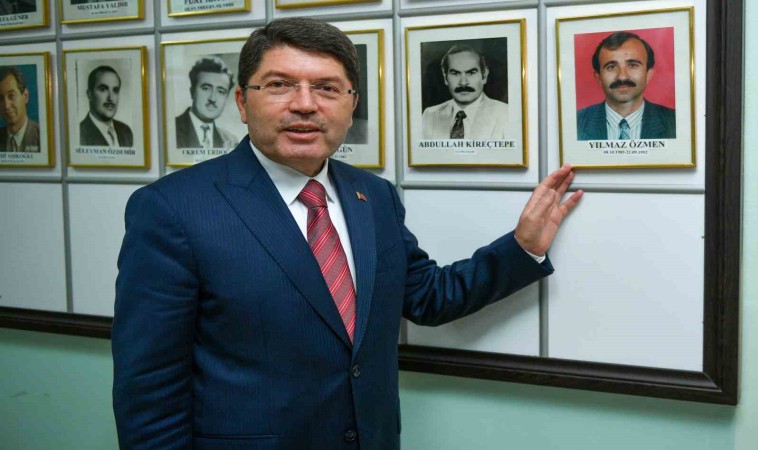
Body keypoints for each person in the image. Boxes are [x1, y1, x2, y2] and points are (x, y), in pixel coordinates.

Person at [112, 18, 582, 450]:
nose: (304, 104)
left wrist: (521, 248)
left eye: (327, 88)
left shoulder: (373, 197)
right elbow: (149, 387)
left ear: (352, 104)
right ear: (242, 101)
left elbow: (426, 297)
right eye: (279, 85)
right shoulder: (174, 209)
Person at [576, 31, 676, 141]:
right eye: (611, 67)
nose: (622, 77)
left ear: (648, 74)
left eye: (632, 65)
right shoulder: (575, 123)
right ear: (599, 78)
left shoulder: (675, 122)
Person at [421, 44, 510, 140]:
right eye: (455, 73)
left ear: (484, 76)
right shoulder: (430, 115)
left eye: (471, 73)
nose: (463, 82)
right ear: (445, 78)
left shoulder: (506, 114)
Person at [174, 56, 238, 149]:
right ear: (192, 91)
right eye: (206, 88)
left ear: (226, 97)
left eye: (221, 91)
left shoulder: (230, 141)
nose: (213, 98)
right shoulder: (172, 130)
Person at [79, 66, 133, 147]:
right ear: (89, 95)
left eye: (115, 90)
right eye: (103, 89)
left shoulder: (126, 132)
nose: (110, 98)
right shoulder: (80, 134)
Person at [0, 66, 39, 153]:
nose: (6, 105)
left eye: (11, 96)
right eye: (0, 98)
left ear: (25, 96)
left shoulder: (42, 137)